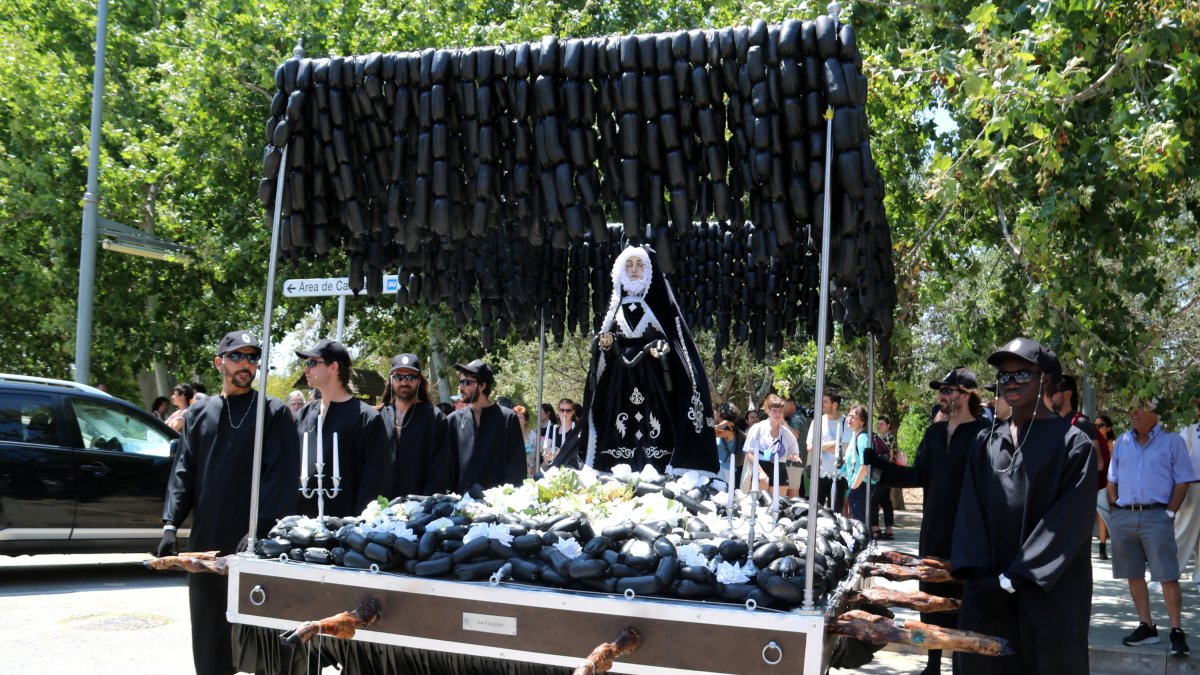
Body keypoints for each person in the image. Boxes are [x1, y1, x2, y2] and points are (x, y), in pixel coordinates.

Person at [158, 330, 300, 675]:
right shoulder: (198, 413)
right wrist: (169, 524)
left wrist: (261, 528)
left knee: (263, 636)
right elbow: (183, 473)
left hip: (254, 543)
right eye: (238, 356)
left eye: (253, 358)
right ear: (219, 362)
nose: (246, 364)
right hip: (206, 541)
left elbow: (281, 479)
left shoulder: (274, 412)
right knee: (210, 635)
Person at [952, 338, 1096, 674]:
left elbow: (1065, 526)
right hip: (988, 596)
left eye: (1022, 375)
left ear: (1045, 379)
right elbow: (969, 514)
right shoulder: (986, 442)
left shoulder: (1074, 446)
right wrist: (979, 579)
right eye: (1004, 376)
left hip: (1048, 598)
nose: (1011, 383)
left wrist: (1012, 579)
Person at [875, 367, 986, 675]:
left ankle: (962, 664)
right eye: (941, 390)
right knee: (931, 598)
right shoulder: (934, 433)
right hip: (934, 529)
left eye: (948, 391)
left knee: (961, 599)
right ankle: (933, 664)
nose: (941, 396)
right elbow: (918, 475)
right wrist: (880, 467)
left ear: (966, 395)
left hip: (967, 533)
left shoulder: (984, 435)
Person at [581, 245, 719, 475]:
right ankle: (613, 464)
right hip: (620, 381)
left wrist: (662, 349)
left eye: (639, 265)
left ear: (649, 270)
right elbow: (610, 345)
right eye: (629, 265)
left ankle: (656, 464)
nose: (634, 270)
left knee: (656, 420)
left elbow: (675, 344)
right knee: (617, 420)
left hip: (653, 380)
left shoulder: (660, 307)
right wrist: (608, 343)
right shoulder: (615, 308)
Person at [1108, 396, 1195, 656]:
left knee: (1167, 575)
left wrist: (1169, 513)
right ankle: (1146, 626)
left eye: (1141, 407)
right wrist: (1115, 509)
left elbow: (1183, 480)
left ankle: (1177, 631)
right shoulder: (1122, 441)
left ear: (1156, 412)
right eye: (1131, 406)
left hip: (1157, 516)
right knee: (1133, 574)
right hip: (1125, 517)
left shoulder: (1172, 441)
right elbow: (1112, 478)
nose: (1133, 412)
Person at [295, 339, 391, 517]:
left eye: (312, 362)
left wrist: (355, 527)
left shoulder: (366, 418)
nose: (306, 369)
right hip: (303, 525)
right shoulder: (305, 414)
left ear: (334, 367)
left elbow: (375, 481)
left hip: (346, 530)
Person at [447, 359, 526, 492]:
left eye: (467, 382)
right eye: (460, 382)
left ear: (482, 386)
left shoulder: (507, 419)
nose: (461, 387)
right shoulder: (453, 421)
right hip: (460, 506)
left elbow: (516, 467)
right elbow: (447, 467)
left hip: (497, 506)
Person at [378, 353, 449, 497]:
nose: (404, 382)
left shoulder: (434, 418)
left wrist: (426, 506)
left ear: (419, 381)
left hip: (419, 507)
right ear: (391, 380)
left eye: (411, 377)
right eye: (399, 377)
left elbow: (441, 467)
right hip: (380, 507)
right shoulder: (377, 417)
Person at [744, 395, 799, 496]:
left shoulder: (786, 432)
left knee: (778, 506)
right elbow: (750, 453)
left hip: (780, 469)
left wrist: (794, 457)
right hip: (761, 467)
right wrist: (760, 472)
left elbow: (793, 451)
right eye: (774, 410)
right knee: (760, 506)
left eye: (780, 411)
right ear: (768, 411)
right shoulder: (758, 428)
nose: (778, 414)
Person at [806, 391, 851, 508]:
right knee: (816, 511)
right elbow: (810, 447)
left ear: (834, 404)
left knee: (835, 513)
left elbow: (845, 449)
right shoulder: (818, 421)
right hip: (819, 474)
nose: (822, 404)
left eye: (825, 401)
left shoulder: (846, 422)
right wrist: (834, 443)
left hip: (839, 475)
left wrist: (820, 447)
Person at [841, 405, 875, 525]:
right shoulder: (854, 437)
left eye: (853, 417)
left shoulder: (862, 438)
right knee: (858, 521)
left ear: (862, 421)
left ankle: (866, 543)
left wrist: (854, 488)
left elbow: (865, 466)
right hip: (858, 484)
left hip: (862, 485)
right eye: (848, 416)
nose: (849, 419)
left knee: (860, 522)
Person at [1178, 402, 1200, 590]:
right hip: (1192, 485)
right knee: (1182, 531)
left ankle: (1199, 576)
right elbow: (1179, 455)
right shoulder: (1190, 429)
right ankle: (1170, 572)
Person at [872, 415, 898, 539]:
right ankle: (889, 530)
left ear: (888, 425)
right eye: (878, 424)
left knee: (873, 500)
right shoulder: (887, 437)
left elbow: (886, 456)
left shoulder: (887, 438)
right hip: (889, 473)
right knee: (886, 502)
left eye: (882, 424)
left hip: (883, 473)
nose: (879, 426)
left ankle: (875, 529)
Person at [1094, 414, 1116, 560]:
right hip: (1097, 484)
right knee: (1101, 515)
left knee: (1112, 516)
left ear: (1108, 428)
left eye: (1101, 425)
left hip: (1111, 485)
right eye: (1095, 426)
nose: (1097, 428)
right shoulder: (1094, 442)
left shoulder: (1113, 444)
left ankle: (1119, 545)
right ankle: (1102, 546)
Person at [715, 401, 746, 489]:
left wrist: (722, 424)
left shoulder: (728, 431)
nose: (715, 412)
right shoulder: (727, 429)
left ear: (722, 414)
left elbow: (708, 434)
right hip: (722, 468)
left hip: (724, 469)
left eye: (717, 410)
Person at [513, 405, 538, 476]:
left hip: (530, 478)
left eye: (520, 417)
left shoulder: (534, 436)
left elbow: (546, 455)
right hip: (512, 477)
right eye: (515, 417)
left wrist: (539, 469)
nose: (517, 420)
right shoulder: (508, 436)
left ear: (526, 420)